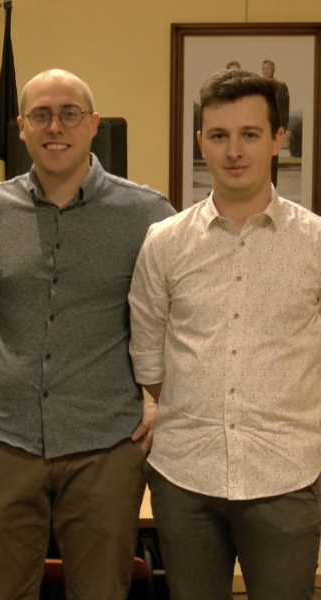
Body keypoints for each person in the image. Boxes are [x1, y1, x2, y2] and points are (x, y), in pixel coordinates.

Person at [0, 69, 175, 599]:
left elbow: (184, 318)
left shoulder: (147, 213)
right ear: (21, 127)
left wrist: (159, 400)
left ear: (93, 124)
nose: (55, 126)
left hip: (105, 444)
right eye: (41, 114)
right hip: (5, 439)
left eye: (69, 114)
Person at [129, 69, 321, 600]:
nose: (233, 151)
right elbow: (147, 350)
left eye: (250, 134)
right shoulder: (164, 242)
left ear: (280, 139)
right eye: (218, 136)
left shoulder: (315, 245)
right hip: (185, 476)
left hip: (286, 475)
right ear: (201, 143)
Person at [261, 59, 291, 187]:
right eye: (264, 69)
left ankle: (273, 186)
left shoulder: (281, 86)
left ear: (273, 70)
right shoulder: (258, 87)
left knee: (273, 158)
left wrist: (283, 127)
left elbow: (285, 108)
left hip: (275, 127)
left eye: (268, 68)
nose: (266, 71)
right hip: (261, 126)